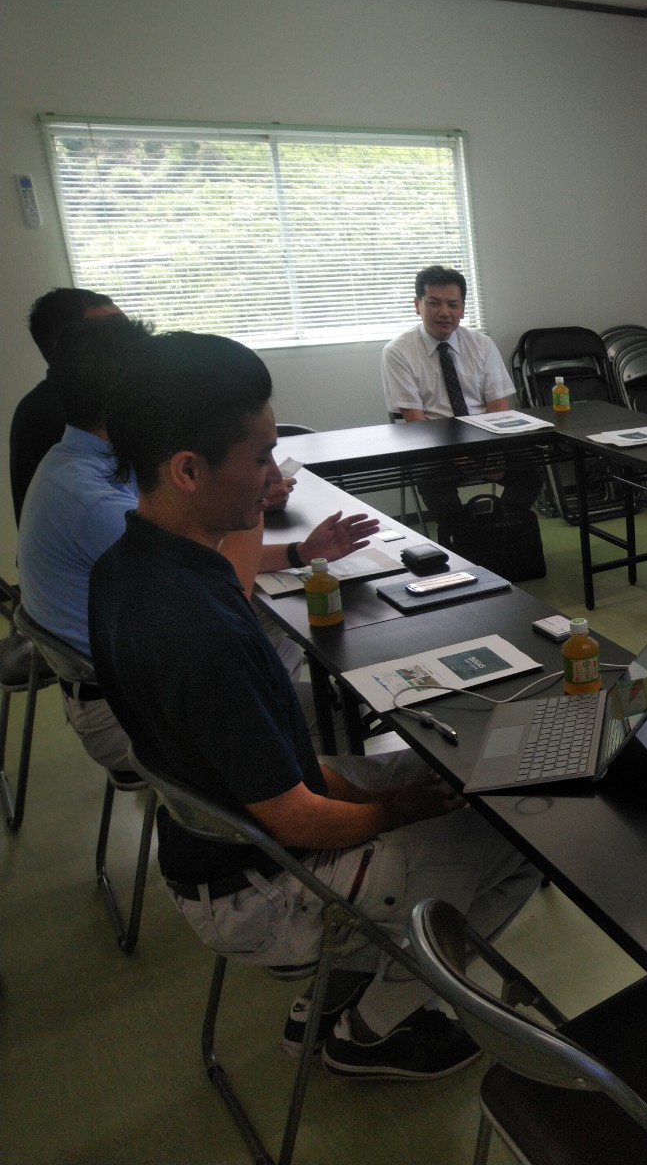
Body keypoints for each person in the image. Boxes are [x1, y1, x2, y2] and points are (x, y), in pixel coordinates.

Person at [89, 331, 541, 1078]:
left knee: (457, 769)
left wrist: (392, 794)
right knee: (521, 838)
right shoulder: (195, 628)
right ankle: (376, 1025)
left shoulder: (129, 567)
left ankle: (345, 986)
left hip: (226, 844)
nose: (276, 478)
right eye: (262, 457)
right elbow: (296, 817)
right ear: (188, 470)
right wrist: (396, 811)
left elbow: (277, 770)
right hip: (263, 888)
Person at [19, 318, 377, 784]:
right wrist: (255, 496)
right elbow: (225, 593)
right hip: (124, 711)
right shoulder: (100, 508)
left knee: (293, 608)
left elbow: (208, 563)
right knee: (338, 700)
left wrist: (297, 551)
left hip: (132, 677)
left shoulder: (78, 464)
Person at [380, 265, 538, 529]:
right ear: (417, 305)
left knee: (531, 470)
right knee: (433, 483)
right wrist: (461, 458)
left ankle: (500, 525)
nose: (445, 312)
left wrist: (491, 452)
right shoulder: (398, 351)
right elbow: (415, 420)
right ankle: (463, 534)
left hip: (484, 439)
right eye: (434, 303)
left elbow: (498, 407)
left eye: (453, 304)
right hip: (434, 444)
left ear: (462, 309)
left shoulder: (481, 344)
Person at [11, 287, 123, 523]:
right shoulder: (54, 413)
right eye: (111, 328)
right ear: (67, 343)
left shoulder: (46, 404)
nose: (127, 337)